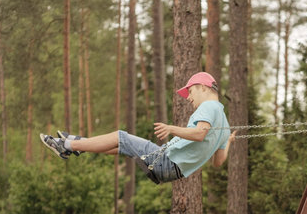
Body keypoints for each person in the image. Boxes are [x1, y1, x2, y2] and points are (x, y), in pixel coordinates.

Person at [39, 71, 236, 184]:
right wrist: (227, 142)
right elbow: (218, 162)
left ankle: (66, 145)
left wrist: (171, 129)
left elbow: (200, 134)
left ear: (203, 87)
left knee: (121, 137)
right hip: (171, 170)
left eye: (191, 91)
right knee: (123, 147)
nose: (190, 98)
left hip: (166, 161)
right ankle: (78, 143)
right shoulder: (224, 126)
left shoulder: (208, 106)